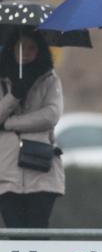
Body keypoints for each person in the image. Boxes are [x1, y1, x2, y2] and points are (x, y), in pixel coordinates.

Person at [0, 29, 64, 228]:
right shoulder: (3, 80)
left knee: (38, 231)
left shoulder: (50, 79)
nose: (26, 52)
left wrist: (10, 123)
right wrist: (14, 95)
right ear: (11, 49)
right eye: (21, 47)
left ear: (40, 51)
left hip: (41, 169)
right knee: (15, 231)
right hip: (6, 171)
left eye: (31, 48)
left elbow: (51, 115)